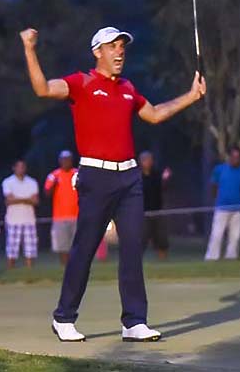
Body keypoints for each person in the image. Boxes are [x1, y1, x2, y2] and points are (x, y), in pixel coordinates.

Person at [19, 25, 206, 343]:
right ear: (97, 52)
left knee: (133, 248)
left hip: (130, 177)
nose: (119, 51)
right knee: (85, 249)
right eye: (112, 46)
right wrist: (29, 49)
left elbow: (157, 114)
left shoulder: (129, 89)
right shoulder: (82, 82)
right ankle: (63, 317)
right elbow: (42, 89)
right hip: (96, 176)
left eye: (122, 46)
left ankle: (134, 321)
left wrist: (192, 95)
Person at [204, 146, 240, 261]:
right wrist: (217, 199)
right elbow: (214, 185)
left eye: (238, 157)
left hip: (237, 208)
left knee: (235, 236)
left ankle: (231, 257)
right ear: (229, 157)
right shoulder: (220, 169)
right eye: (233, 157)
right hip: (222, 207)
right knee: (217, 234)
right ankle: (212, 258)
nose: (235, 159)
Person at [2, 159, 39, 269]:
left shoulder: (32, 182)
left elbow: (36, 201)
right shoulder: (7, 182)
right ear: (14, 168)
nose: (21, 169)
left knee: (30, 250)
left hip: (29, 220)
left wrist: (16, 199)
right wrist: (27, 199)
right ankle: (10, 272)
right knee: (12, 250)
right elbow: (9, 200)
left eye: (23, 166)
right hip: (13, 220)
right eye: (18, 166)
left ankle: (29, 273)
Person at [45, 150, 79, 266]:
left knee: (77, 245)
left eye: (68, 159)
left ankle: (76, 267)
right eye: (64, 159)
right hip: (60, 216)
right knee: (63, 246)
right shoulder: (54, 175)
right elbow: (47, 193)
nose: (66, 162)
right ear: (60, 161)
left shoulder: (77, 173)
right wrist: (54, 184)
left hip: (77, 215)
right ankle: (64, 268)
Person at [139, 151, 171, 260]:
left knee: (161, 238)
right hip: (143, 212)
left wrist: (166, 180)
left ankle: (163, 260)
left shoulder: (157, 174)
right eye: (146, 160)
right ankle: (137, 261)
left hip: (158, 211)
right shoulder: (137, 176)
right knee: (142, 238)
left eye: (150, 160)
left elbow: (163, 189)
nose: (148, 162)